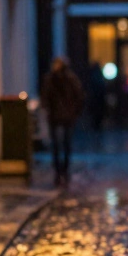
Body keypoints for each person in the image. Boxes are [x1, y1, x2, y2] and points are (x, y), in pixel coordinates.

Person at [40, 57, 84, 186]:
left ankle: (59, 170)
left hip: (56, 116)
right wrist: (75, 112)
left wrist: (48, 109)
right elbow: (79, 96)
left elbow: (45, 97)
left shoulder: (51, 79)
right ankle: (63, 169)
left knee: (57, 144)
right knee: (65, 144)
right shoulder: (71, 79)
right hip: (66, 116)